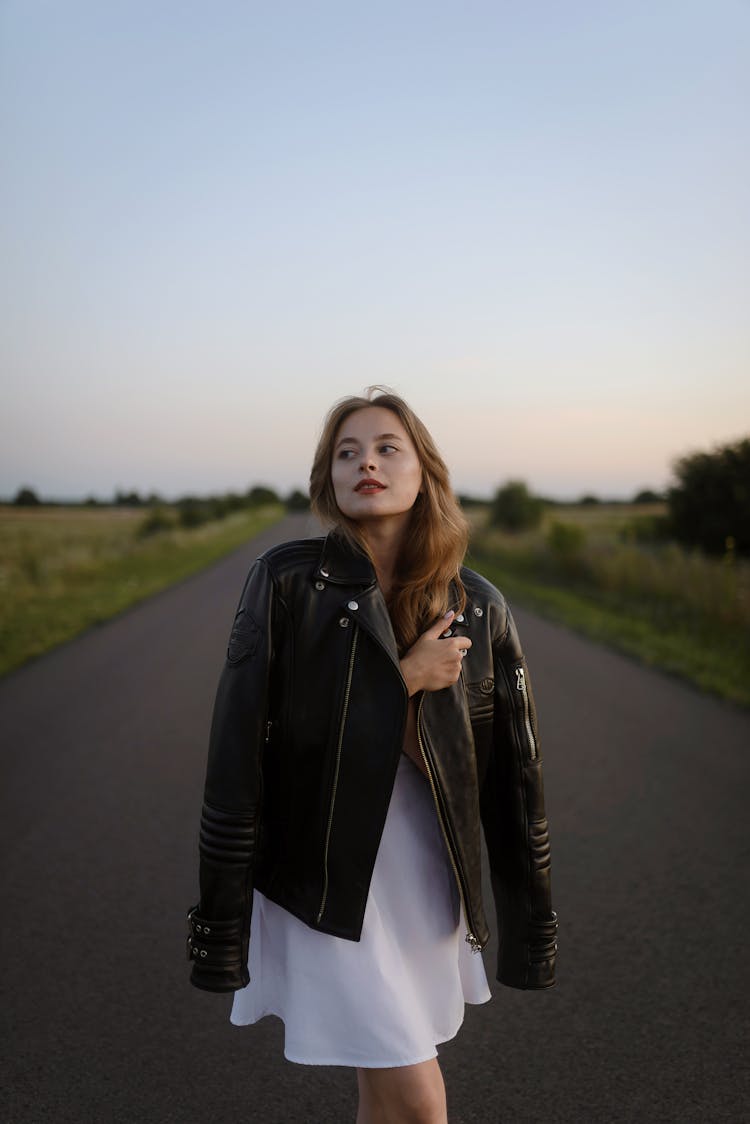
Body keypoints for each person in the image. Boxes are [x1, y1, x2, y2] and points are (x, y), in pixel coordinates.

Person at [187, 389, 557, 1123]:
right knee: (419, 1099)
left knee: (385, 1092)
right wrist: (406, 680)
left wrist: (532, 922)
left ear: (426, 470)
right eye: (346, 452)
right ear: (327, 479)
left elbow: (515, 778)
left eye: (388, 447)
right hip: (323, 881)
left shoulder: (479, 604)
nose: (366, 463)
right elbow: (241, 755)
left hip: (426, 876)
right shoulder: (287, 581)